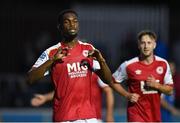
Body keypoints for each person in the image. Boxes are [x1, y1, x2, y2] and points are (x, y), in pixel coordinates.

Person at [27, 9, 112, 122]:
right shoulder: (51, 52)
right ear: (59, 26)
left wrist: (101, 60)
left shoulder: (89, 49)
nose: (72, 24)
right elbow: (30, 79)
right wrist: (52, 60)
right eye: (67, 22)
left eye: (75, 21)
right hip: (65, 117)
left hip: (89, 116)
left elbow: (108, 79)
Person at [107, 30, 173, 122]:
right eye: (143, 43)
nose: (146, 46)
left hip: (155, 116)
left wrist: (156, 85)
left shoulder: (163, 64)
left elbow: (170, 90)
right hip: (136, 115)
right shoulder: (129, 65)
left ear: (154, 45)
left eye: (149, 43)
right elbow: (112, 81)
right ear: (139, 45)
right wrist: (127, 95)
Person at [31, 73, 114, 122]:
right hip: (70, 117)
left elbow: (108, 91)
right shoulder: (71, 73)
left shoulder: (95, 71)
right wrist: (45, 97)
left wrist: (109, 115)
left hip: (91, 118)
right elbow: (63, 92)